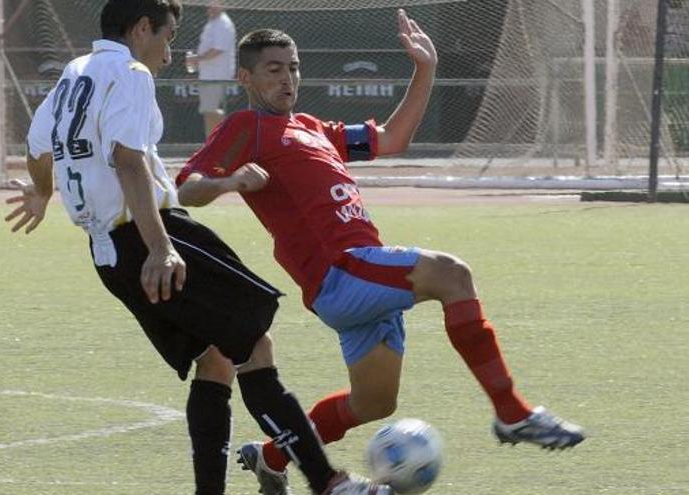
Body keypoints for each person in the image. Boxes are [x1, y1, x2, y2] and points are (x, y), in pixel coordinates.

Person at [176, 11, 586, 494]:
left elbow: (393, 139)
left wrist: (424, 70)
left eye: (294, 67)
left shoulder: (311, 127)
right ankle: (512, 414)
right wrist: (230, 181)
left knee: (374, 403)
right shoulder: (247, 126)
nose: (288, 78)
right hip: (342, 272)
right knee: (453, 275)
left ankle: (269, 456)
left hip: (361, 277)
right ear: (245, 77)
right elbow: (188, 188)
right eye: (274, 69)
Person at [5, 1, 392, 493]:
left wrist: (42, 190)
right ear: (142, 29)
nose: (170, 51)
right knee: (254, 346)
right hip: (148, 234)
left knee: (216, 360)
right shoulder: (130, 72)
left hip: (107, 253)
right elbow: (129, 162)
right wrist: (162, 247)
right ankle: (329, 482)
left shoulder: (74, 74)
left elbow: (39, 149)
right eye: (167, 36)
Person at [185, 0, 236, 137]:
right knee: (208, 111)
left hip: (216, 76)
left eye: (215, 3)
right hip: (208, 75)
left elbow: (217, 50)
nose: (210, 6)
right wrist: (198, 60)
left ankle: (225, 139)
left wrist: (197, 59)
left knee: (211, 110)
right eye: (209, 3)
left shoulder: (223, 24)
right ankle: (212, 143)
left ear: (222, 5)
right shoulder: (212, 23)